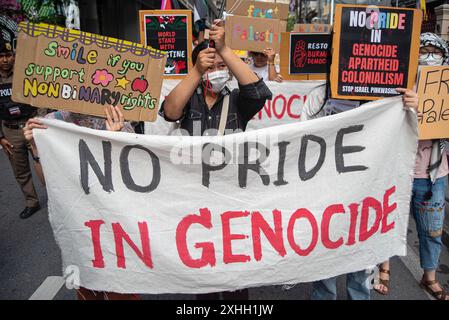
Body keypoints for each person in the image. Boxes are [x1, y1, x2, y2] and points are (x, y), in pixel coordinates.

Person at [161, 19, 272, 299]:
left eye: (222, 67)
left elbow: (259, 93)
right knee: (206, 280)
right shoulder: (189, 99)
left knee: (236, 280)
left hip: (232, 204)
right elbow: (171, 111)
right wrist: (198, 69)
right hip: (195, 204)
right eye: (211, 67)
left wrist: (223, 50)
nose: (217, 71)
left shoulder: (237, 101)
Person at [301, 77, 419, 301]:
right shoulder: (320, 96)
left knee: (363, 260)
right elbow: (303, 139)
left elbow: (408, 135)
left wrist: (412, 108)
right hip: (327, 196)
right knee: (325, 259)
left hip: (368, 195)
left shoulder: (391, 96)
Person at [23, 105, 138, 300]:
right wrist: (35, 146)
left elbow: (133, 179)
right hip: (79, 224)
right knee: (88, 288)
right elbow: (46, 182)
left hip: (114, 223)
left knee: (120, 288)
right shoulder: (52, 122)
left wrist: (115, 140)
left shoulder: (117, 117)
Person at [375, 32, 449, 300]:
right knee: (386, 223)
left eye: (435, 50)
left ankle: (429, 276)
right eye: (422, 50)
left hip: (432, 174)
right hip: (394, 171)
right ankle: (384, 266)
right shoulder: (394, 86)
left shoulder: (447, 90)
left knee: (432, 228)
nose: (429, 56)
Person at [0, 30, 41, 219]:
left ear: (14, 56)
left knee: (46, 163)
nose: (5, 60)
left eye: (8, 55)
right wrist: (0, 138)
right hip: (11, 131)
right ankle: (31, 202)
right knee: (21, 171)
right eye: (1, 57)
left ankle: (60, 199)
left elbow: (41, 97)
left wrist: (40, 121)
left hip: (31, 126)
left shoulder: (26, 73)